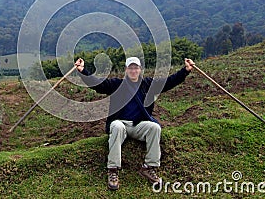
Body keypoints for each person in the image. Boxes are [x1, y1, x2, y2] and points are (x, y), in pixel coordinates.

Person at [75, 56, 195, 190]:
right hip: (121, 123)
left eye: (136, 68)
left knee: (155, 127)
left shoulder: (147, 84)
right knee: (116, 126)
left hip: (139, 125)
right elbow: (98, 84)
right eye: (130, 68)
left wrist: (185, 70)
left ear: (140, 69)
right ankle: (113, 170)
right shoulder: (117, 84)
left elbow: (168, 82)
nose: (133, 71)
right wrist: (83, 71)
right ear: (126, 70)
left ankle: (149, 167)